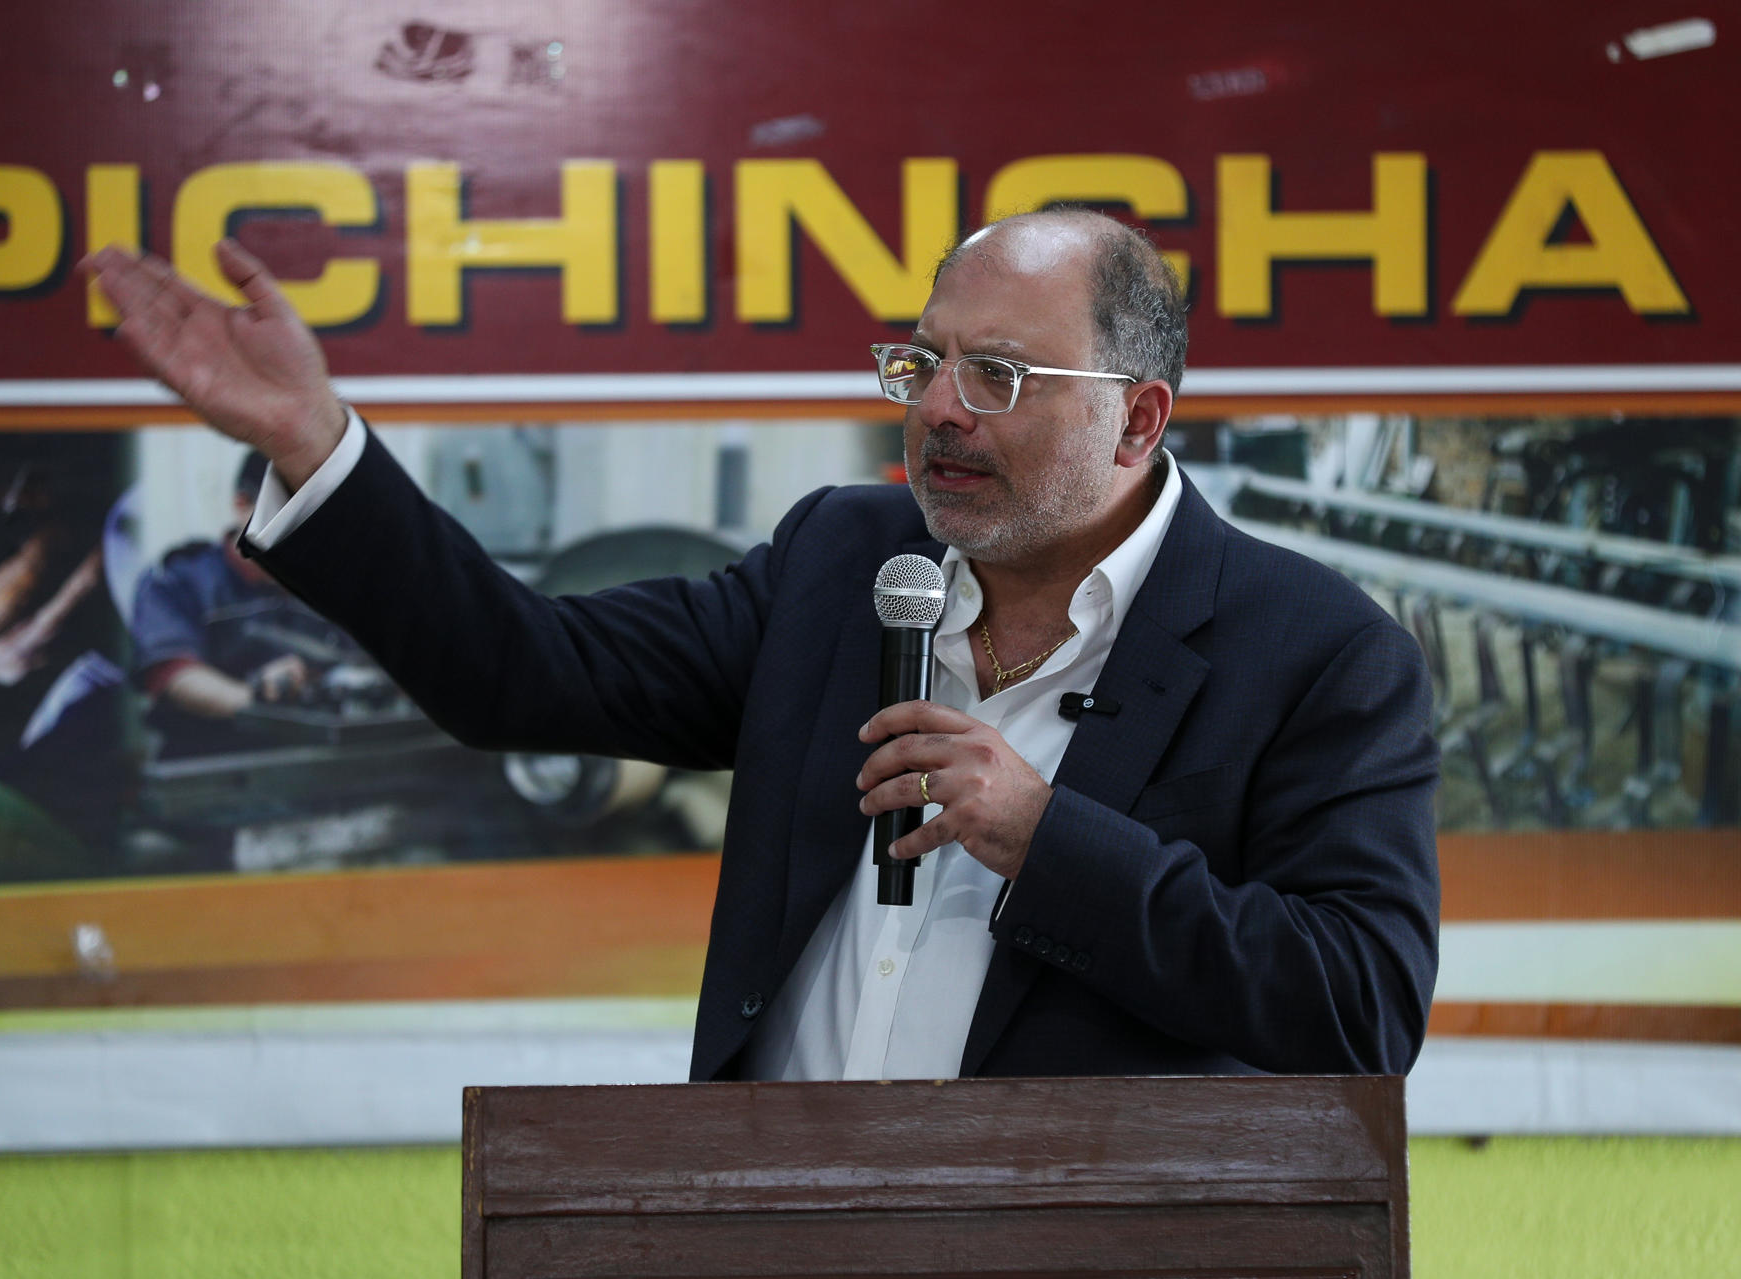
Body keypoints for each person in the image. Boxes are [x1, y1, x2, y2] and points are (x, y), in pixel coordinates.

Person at [81, 208, 1440, 1081]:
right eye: (923, 364)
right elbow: (522, 670)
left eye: (999, 377)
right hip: (779, 1224)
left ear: (1139, 422)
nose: (940, 412)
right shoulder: (844, 567)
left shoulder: (1316, 654)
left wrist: (1042, 834)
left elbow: (1360, 1004)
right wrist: (319, 449)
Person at [129, 451, 363, 757]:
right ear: (243, 505)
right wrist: (255, 694)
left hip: (311, 767)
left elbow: (360, 662)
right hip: (208, 769)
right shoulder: (180, 580)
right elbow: (176, 676)